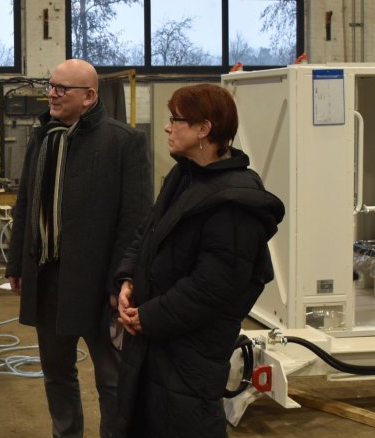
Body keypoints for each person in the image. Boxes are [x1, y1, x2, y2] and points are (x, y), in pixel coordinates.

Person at [114, 83, 285, 437]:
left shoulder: (236, 202)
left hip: (190, 352)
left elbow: (214, 287)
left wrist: (149, 316)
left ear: (204, 129)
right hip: (154, 339)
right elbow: (145, 234)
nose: (167, 127)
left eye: (176, 119)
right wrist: (128, 280)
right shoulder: (184, 175)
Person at [4, 59, 152, 438]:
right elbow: (26, 204)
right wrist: (17, 263)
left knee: (111, 379)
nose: (50, 94)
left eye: (60, 88)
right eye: (50, 86)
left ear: (88, 97)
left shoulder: (124, 142)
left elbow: (135, 220)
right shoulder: (43, 137)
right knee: (57, 374)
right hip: (49, 279)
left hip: (101, 285)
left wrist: (121, 280)